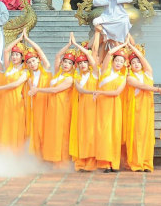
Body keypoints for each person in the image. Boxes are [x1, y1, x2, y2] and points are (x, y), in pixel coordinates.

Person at [33, 33, 77, 165]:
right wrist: (69, 45)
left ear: (73, 66)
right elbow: (57, 56)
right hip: (51, 107)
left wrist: (38, 90)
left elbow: (55, 90)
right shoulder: (58, 73)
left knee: (61, 133)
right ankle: (51, 158)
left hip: (62, 108)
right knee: (51, 132)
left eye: (69, 63)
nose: (66, 64)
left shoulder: (70, 78)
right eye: (65, 62)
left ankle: (61, 160)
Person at [0, 29, 29, 151]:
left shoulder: (25, 71)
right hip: (4, 101)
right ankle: (3, 153)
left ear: (22, 57)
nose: (14, 57)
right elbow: (5, 50)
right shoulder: (8, 68)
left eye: (17, 55)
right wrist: (19, 39)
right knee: (4, 126)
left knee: (14, 126)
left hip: (16, 102)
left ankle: (16, 154)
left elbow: (16, 84)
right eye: (13, 54)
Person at [124, 41, 161, 172]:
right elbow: (142, 87)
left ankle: (147, 163)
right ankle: (136, 163)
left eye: (138, 62)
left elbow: (143, 59)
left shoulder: (148, 73)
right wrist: (157, 89)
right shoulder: (129, 77)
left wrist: (133, 49)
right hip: (136, 110)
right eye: (133, 63)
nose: (137, 64)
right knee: (136, 136)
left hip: (147, 109)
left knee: (147, 135)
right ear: (130, 65)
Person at [91, 41, 128, 172]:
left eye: (121, 61)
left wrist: (100, 92)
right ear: (113, 61)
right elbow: (110, 53)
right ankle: (105, 163)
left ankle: (115, 163)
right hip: (103, 106)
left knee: (115, 133)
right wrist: (123, 45)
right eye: (117, 60)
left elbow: (117, 93)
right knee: (104, 133)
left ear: (124, 64)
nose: (118, 63)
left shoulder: (123, 77)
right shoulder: (105, 71)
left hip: (115, 106)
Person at [69, 40, 98, 172]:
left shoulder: (95, 74)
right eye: (80, 63)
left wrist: (76, 45)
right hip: (81, 108)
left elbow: (92, 58)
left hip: (93, 108)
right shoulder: (77, 77)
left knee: (91, 134)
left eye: (84, 62)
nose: (82, 65)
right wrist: (90, 92)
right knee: (81, 133)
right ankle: (80, 163)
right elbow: (79, 90)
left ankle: (91, 163)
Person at [23, 30, 52, 158]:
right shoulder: (29, 76)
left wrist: (28, 40)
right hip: (37, 105)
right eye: (29, 62)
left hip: (48, 102)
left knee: (48, 129)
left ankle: (47, 155)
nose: (32, 64)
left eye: (34, 61)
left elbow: (39, 50)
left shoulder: (45, 69)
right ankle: (39, 156)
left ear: (38, 60)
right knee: (38, 130)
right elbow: (31, 91)